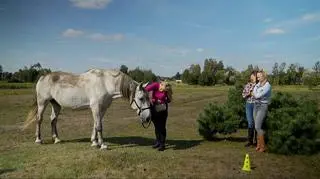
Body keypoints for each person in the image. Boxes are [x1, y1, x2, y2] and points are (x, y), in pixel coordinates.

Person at [144, 80, 173, 151]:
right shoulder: (156, 85)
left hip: (162, 110)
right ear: (162, 85)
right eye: (164, 90)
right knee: (156, 126)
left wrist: (163, 101)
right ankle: (158, 142)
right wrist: (153, 100)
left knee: (162, 127)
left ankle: (162, 145)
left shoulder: (166, 90)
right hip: (154, 109)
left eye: (165, 91)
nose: (164, 91)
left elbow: (169, 100)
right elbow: (146, 89)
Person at [252, 70, 271, 152]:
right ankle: (258, 145)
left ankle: (263, 146)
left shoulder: (267, 86)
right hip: (256, 105)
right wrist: (255, 93)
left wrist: (255, 94)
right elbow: (254, 92)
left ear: (264, 77)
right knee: (257, 127)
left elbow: (257, 95)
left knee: (257, 126)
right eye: (257, 76)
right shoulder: (258, 85)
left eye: (259, 76)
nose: (257, 78)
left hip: (262, 106)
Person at [242, 71, 258, 147]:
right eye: (251, 76)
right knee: (250, 122)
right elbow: (243, 94)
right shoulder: (248, 85)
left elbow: (259, 95)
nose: (252, 77)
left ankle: (257, 141)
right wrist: (248, 94)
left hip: (256, 104)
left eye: (254, 76)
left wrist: (253, 94)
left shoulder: (259, 85)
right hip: (248, 104)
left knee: (256, 122)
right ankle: (250, 141)